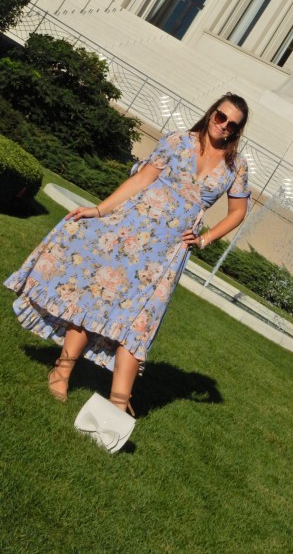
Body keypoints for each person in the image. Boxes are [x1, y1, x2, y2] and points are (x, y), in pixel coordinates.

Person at [4, 93, 251, 415]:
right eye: (221, 117)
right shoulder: (177, 141)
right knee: (97, 297)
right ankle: (62, 371)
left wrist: (204, 239)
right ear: (211, 114)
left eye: (233, 125)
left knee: (141, 322)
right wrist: (99, 209)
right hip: (130, 230)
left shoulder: (236, 166)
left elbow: (238, 213)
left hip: (169, 250)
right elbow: (142, 179)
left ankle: (118, 403)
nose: (225, 127)